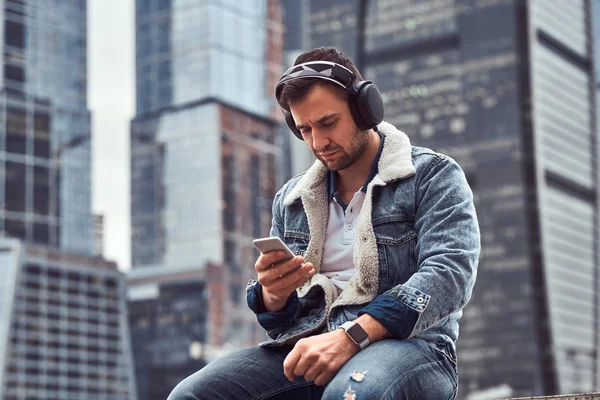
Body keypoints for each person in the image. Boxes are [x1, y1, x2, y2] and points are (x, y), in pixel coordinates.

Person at [168, 47, 480, 400]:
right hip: (312, 346)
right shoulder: (292, 200)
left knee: (349, 395)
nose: (318, 142)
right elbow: (284, 324)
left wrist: (352, 336)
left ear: (366, 110)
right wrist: (273, 296)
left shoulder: (432, 175)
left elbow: (450, 273)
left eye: (328, 123)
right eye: (304, 129)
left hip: (413, 347)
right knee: (190, 396)